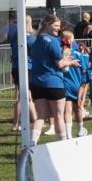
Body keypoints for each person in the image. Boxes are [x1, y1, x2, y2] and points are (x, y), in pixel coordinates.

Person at [29, 14, 80, 144]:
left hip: (37, 83)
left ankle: (32, 143)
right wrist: (71, 62)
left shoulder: (35, 40)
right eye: (56, 26)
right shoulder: (53, 41)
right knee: (58, 115)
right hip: (53, 82)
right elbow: (60, 64)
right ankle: (63, 144)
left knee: (40, 116)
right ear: (47, 24)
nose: (59, 29)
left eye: (59, 26)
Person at [8, 14, 37, 132]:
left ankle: (34, 119)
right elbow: (34, 51)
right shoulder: (29, 37)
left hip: (16, 67)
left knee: (26, 94)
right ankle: (16, 123)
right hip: (27, 67)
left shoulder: (14, 36)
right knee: (23, 96)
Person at [61, 30, 89, 138]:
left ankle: (68, 135)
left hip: (65, 85)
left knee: (67, 110)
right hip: (77, 86)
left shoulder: (59, 54)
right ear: (71, 40)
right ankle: (80, 130)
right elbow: (85, 72)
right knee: (78, 109)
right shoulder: (78, 54)